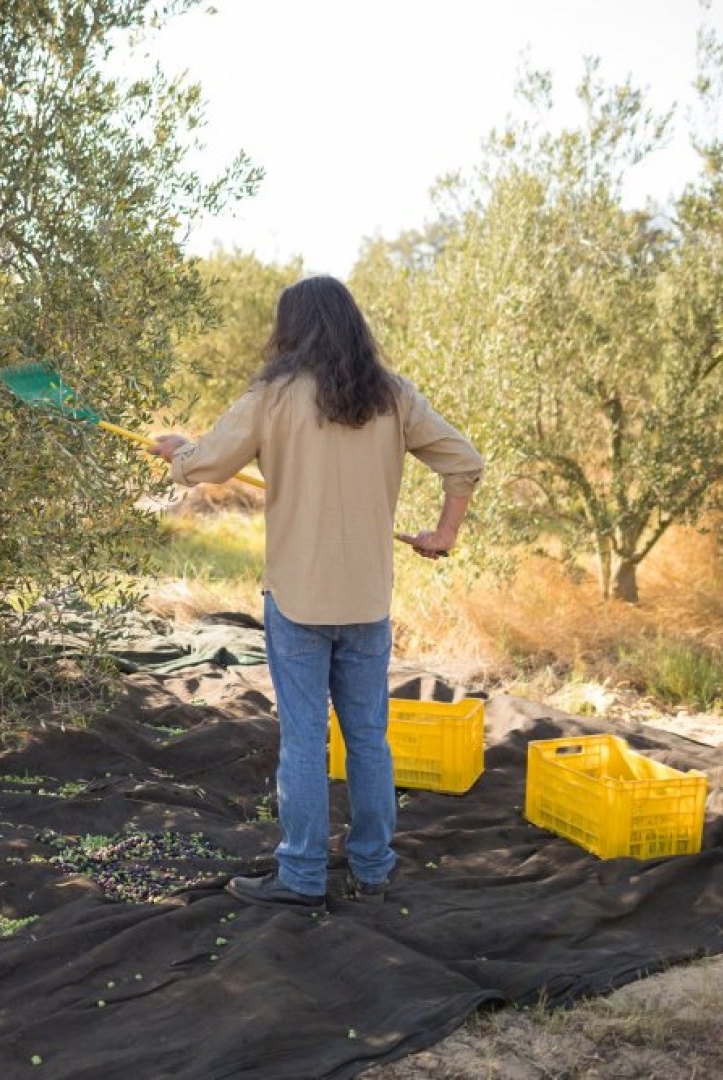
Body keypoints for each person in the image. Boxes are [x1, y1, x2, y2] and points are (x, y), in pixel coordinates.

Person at [150, 275, 483, 912]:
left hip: (299, 600)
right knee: (368, 739)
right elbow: (464, 461)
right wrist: (444, 533)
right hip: (367, 603)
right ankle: (374, 869)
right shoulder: (393, 395)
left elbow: (207, 465)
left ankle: (301, 877)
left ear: (291, 329)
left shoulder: (272, 396)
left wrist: (177, 450)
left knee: (304, 740)